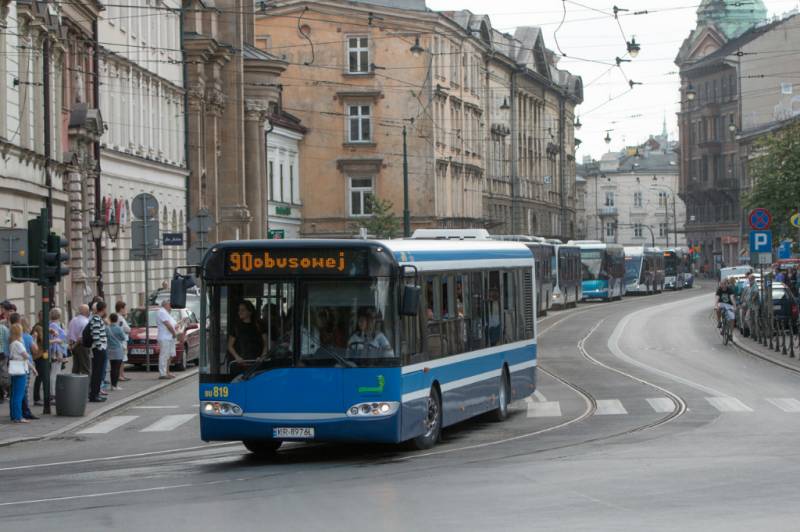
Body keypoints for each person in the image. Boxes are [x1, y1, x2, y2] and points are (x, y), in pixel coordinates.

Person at [8, 323, 37, 423]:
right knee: (19, 395)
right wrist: (33, 367)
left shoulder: (12, 343)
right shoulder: (18, 344)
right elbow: (26, 356)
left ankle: (14, 415)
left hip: (14, 370)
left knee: (14, 394)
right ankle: (18, 417)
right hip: (20, 370)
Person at [88, 301, 109, 402]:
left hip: (99, 349)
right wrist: (100, 347)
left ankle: (95, 393)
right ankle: (94, 395)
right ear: (103, 309)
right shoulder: (96, 319)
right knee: (97, 373)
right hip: (98, 349)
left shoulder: (97, 318)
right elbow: (95, 334)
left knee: (98, 372)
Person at [156, 300, 177, 379]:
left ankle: (167, 372)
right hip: (165, 337)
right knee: (164, 355)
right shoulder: (162, 312)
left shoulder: (167, 313)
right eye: (169, 304)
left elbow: (173, 324)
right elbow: (167, 325)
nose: (171, 306)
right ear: (165, 305)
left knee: (170, 354)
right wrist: (174, 333)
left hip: (169, 337)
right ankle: (162, 373)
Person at [67, 305, 91, 375]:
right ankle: (85, 381)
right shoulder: (86, 322)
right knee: (85, 367)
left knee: (76, 367)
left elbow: (69, 334)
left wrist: (71, 345)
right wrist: (74, 345)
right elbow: (81, 338)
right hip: (82, 346)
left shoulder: (73, 320)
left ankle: (74, 381)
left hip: (74, 345)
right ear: (87, 312)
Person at [106, 313, 127, 390]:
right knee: (117, 368)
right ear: (117, 319)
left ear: (110, 319)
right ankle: (115, 385)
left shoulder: (107, 328)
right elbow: (123, 338)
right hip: (118, 349)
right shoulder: (118, 328)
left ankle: (112, 385)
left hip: (110, 349)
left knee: (112, 368)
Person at [0, 300, 13, 404]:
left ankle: (8, 390)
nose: (1, 310)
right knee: (4, 371)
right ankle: (6, 391)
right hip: (4, 351)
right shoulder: (3, 322)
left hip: (10, 350)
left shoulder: (12, 319)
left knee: (6, 372)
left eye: (2, 308)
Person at [115, 301, 131, 382]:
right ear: (121, 309)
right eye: (125, 308)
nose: (126, 310)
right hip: (122, 341)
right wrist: (129, 330)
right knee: (122, 359)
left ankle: (122, 375)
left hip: (121, 340)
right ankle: (120, 375)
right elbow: (126, 329)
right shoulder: (120, 318)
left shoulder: (119, 317)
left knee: (123, 359)